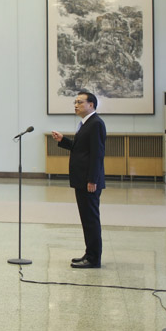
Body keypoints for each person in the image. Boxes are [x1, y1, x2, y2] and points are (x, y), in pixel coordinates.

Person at [52, 91, 106, 269]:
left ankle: (93, 259)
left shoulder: (96, 123)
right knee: (86, 219)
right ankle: (89, 254)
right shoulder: (86, 123)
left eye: (80, 102)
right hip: (82, 179)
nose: (76, 105)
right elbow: (81, 149)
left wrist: (92, 180)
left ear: (91, 104)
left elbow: (97, 154)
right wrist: (63, 140)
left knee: (90, 220)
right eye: (75, 102)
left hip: (88, 181)